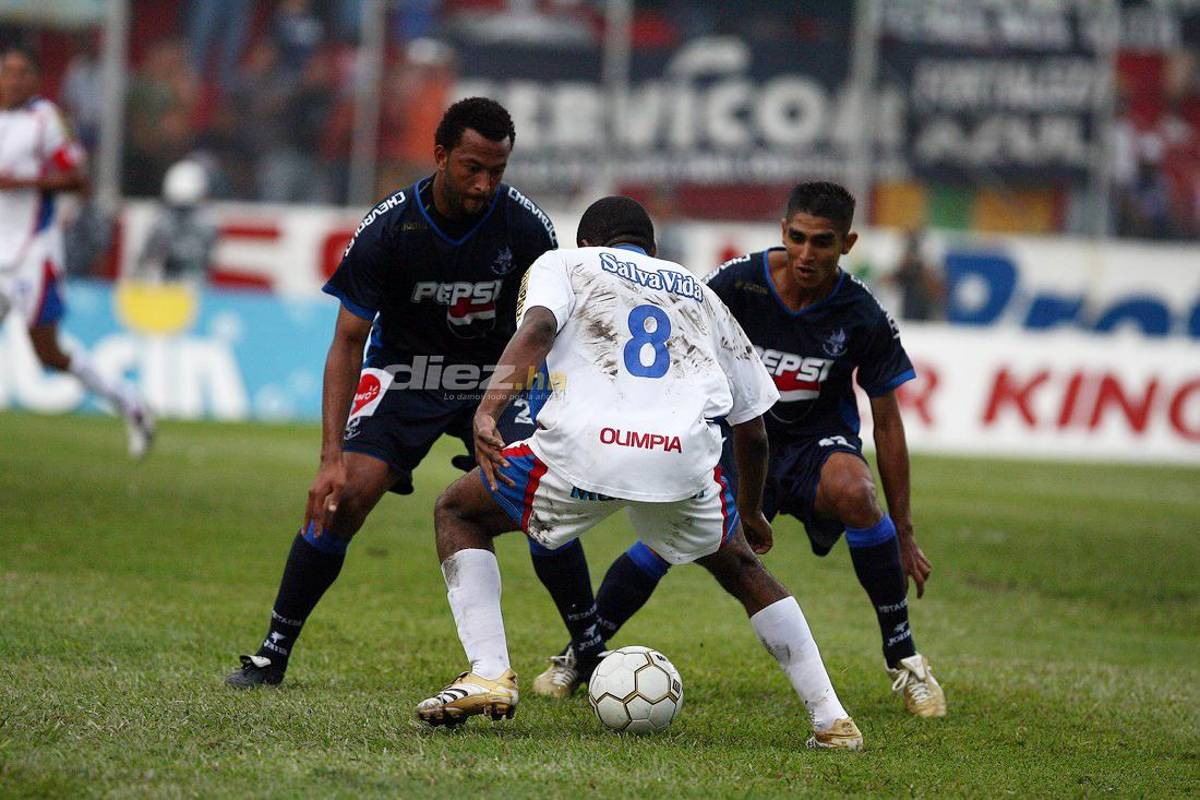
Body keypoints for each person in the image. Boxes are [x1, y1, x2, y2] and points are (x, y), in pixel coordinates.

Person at [414, 196, 864, 751]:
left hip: (584, 449)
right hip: (681, 458)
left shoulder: (565, 263)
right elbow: (753, 429)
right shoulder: (697, 289)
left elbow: (538, 327)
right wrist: (749, 512)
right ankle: (831, 720)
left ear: (588, 244)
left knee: (458, 511)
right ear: (651, 248)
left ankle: (488, 673)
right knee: (742, 568)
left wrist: (487, 410)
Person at [532, 182, 947, 719]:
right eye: (798, 238)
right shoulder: (735, 284)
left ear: (847, 244)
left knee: (856, 492)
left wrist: (905, 531)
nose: (806, 253)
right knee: (662, 543)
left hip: (815, 450)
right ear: (783, 231)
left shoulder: (861, 312)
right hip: (740, 448)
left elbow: (887, 422)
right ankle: (581, 653)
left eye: (822, 242)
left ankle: (905, 659)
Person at [224, 97, 559, 688]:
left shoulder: (528, 228)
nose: (484, 185)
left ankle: (586, 647)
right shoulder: (390, 227)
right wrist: (329, 459)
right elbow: (347, 341)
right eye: (472, 168)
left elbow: (546, 328)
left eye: (497, 171)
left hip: (492, 380)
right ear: (440, 156)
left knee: (537, 495)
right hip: (406, 375)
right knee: (344, 497)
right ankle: (273, 653)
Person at [0, 45, 154, 458]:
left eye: (21, 72)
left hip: (32, 253)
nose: (12, 79)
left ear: (35, 80)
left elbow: (77, 179)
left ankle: (129, 401)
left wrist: (22, 183)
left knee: (47, 352)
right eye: (6, 71)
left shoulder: (45, 119)